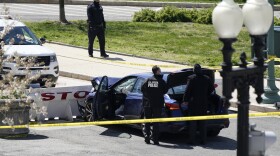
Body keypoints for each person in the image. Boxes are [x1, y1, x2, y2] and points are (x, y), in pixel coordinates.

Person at [182, 64, 214, 145]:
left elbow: (187, 90)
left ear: (194, 70)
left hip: (193, 104)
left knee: (193, 123)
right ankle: (203, 140)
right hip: (204, 103)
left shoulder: (191, 78)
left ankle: (192, 140)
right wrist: (206, 96)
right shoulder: (207, 78)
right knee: (203, 123)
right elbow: (211, 89)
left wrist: (185, 100)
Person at [141, 65, 168, 145]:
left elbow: (142, 89)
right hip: (157, 104)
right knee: (156, 122)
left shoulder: (147, 80)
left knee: (147, 121)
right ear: (157, 71)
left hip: (147, 104)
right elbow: (165, 91)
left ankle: (147, 138)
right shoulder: (161, 81)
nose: (161, 71)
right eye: (160, 70)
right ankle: (155, 139)